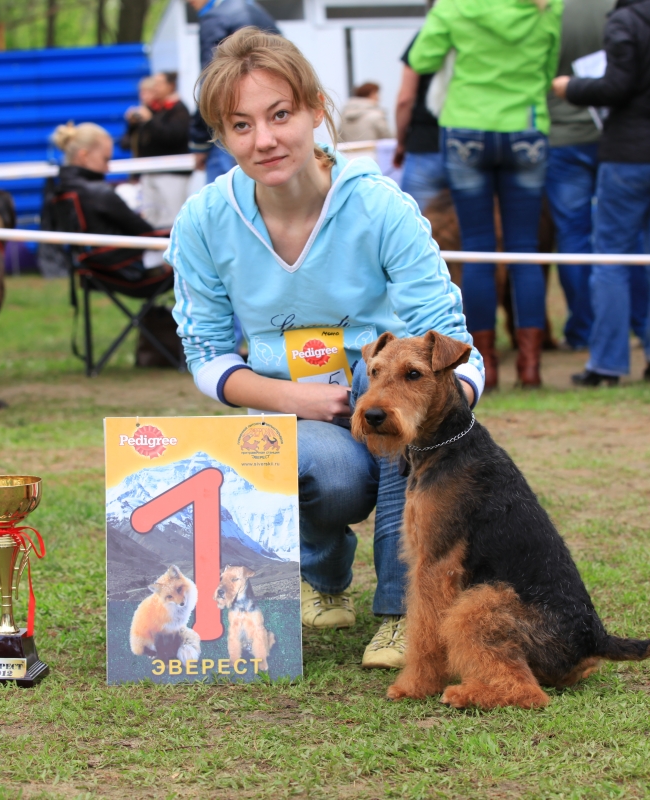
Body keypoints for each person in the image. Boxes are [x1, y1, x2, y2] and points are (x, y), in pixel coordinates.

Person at [166, 28, 483, 670]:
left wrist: (443, 414)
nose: (265, 140)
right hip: (298, 416)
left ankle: (402, 616)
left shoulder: (382, 208)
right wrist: (294, 398)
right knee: (320, 471)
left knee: (407, 441)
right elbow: (203, 352)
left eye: (280, 114)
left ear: (315, 109)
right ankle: (323, 578)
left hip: (397, 404)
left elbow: (452, 338)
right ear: (222, 137)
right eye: (241, 124)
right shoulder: (202, 222)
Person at [408, 0, 562, 390]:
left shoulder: (453, 6)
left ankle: (485, 366)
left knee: (476, 250)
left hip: (465, 128)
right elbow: (548, 68)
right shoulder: (547, 5)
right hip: (526, 125)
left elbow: (423, 58)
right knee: (525, 250)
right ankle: (530, 367)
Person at [554, 0, 650, 386]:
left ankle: (607, 364)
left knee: (610, 258)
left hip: (629, 153)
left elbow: (617, 85)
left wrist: (572, 87)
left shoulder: (625, 21)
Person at [544, 0, 612, 351]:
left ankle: (584, 329)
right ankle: (631, 322)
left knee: (573, 236)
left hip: (561, 138)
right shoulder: (613, 7)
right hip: (614, 134)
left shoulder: (544, 8)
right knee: (622, 239)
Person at [185, 0, 279, 184]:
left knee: (225, 203)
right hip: (273, 118)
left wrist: (200, 142)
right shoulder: (257, 11)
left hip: (232, 124)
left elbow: (210, 83)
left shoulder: (215, 17)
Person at [51, 122, 155, 271]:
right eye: (105, 159)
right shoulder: (99, 193)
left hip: (91, 267)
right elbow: (147, 232)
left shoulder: (60, 191)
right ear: (84, 156)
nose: (108, 168)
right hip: (128, 269)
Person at [122, 72, 192, 229]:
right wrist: (132, 124)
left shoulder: (179, 110)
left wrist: (149, 121)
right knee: (150, 217)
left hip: (172, 172)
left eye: (159, 83)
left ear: (171, 86)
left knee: (173, 218)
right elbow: (128, 143)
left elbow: (173, 137)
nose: (155, 87)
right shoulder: (153, 110)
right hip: (148, 171)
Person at [393, 34, 446, 212]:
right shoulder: (477, 35)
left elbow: (405, 100)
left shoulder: (426, 37)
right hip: (466, 144)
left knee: (418, 227)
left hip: (424, 145)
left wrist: (401, 143)